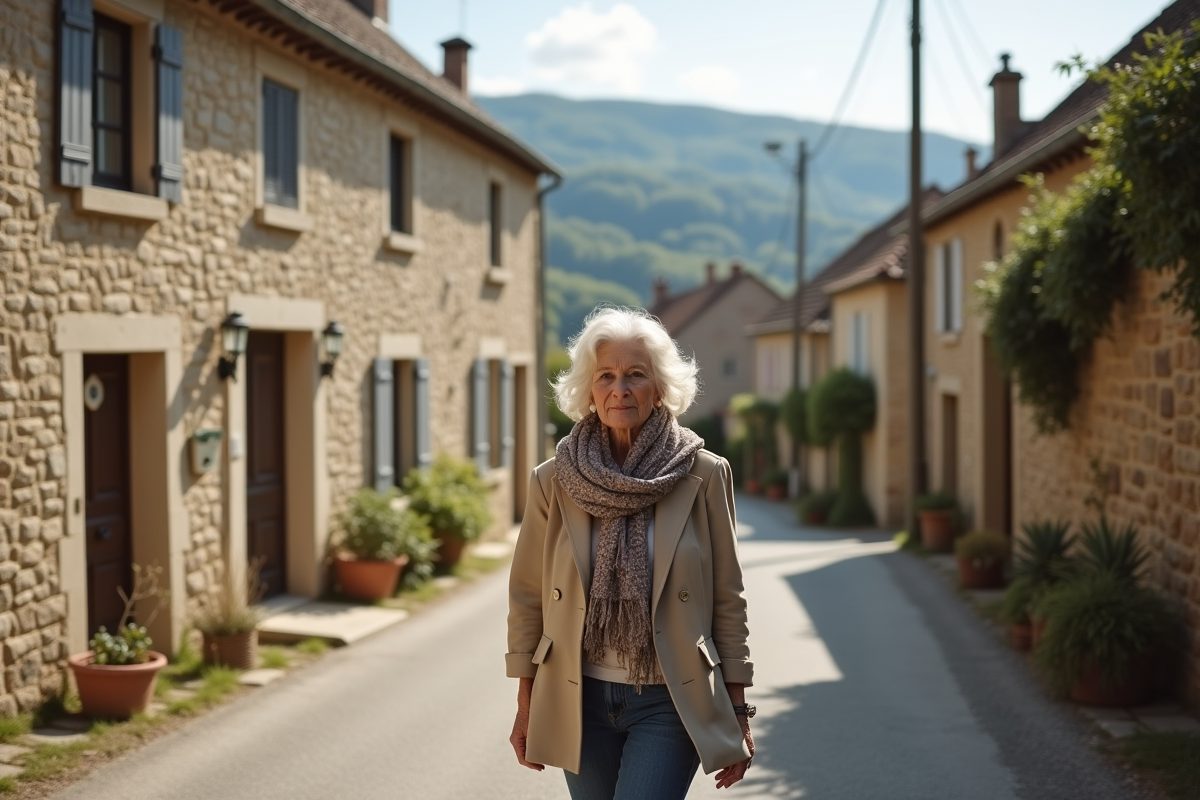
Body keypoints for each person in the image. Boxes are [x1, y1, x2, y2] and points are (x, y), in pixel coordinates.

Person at [506, 306, 755, 799]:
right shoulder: (553, 480)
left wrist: (739, 709)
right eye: (607, 375)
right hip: (579, 698)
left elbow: (727, 598)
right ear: (590, 391)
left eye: (635, 375)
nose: (620, 388)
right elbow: (529, 597)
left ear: (659, 387)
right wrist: (526, 703)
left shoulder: (703, 475)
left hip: (671, 699)